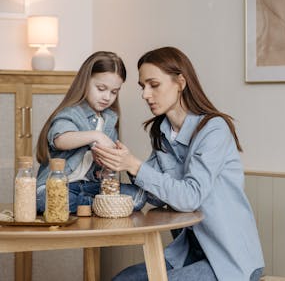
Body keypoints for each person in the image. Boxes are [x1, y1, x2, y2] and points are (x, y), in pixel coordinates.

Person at [92, 47, 264, 281]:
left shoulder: (214, 130)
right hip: (188, 253)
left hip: (229, 261)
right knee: (123, 279)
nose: (145, 95)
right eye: (143, 87)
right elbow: (155, 197)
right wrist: (117, 164)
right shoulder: (164, 132)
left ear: (180, 82)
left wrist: (134, 165)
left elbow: (190, 197)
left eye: (154, 84)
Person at [35, 51, 147, 214]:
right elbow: (60, 139)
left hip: (90, 186)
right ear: (85, 82)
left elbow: (107, 169)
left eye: (114, 92)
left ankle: (88, 204)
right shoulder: (72, 113)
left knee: (137, 196)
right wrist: (96, 136)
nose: (107, 97)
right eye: (101, 88)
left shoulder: (109, 120)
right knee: (44, 199)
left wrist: (106, 167)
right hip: (59, 186)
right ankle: (94, 206)